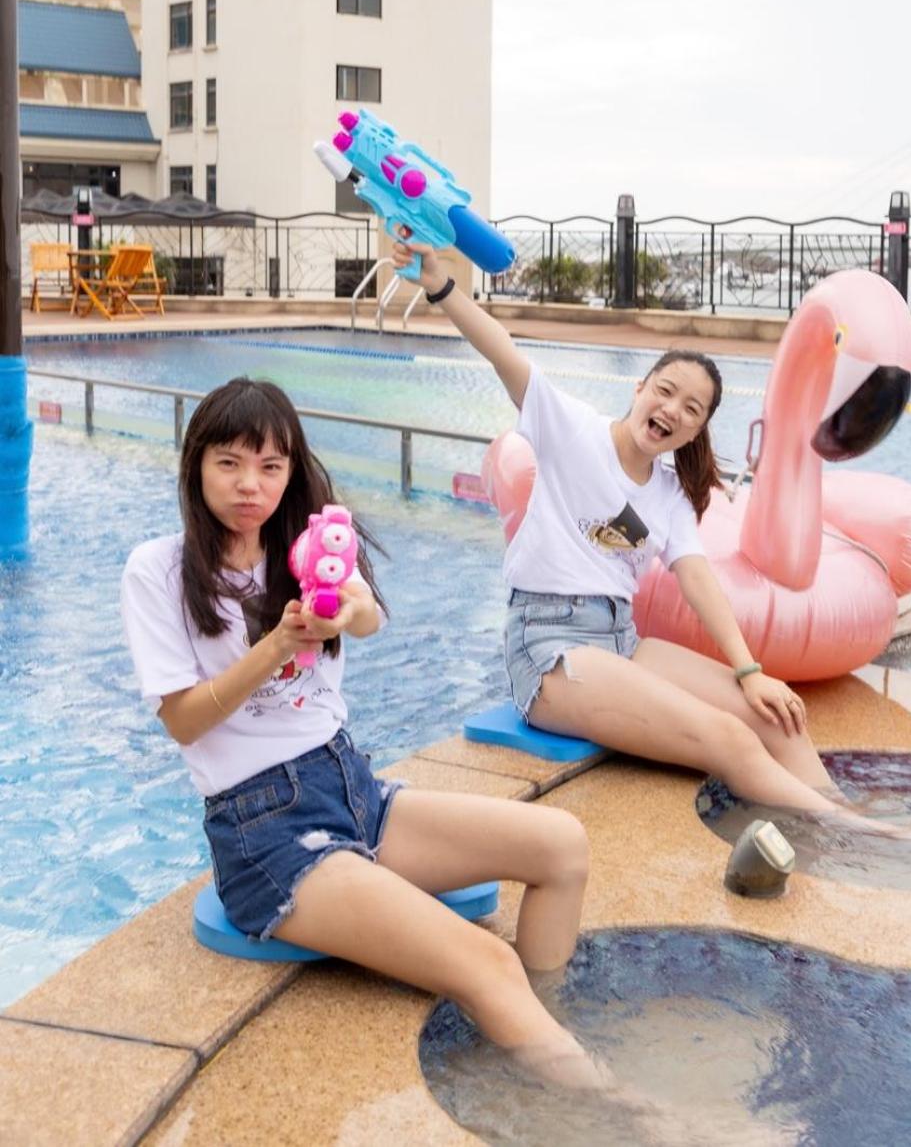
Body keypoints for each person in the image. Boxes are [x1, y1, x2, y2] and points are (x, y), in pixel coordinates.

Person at [120, 377, 602, 1086]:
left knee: (562, 844)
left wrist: (352, 610)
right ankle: (614, 1112)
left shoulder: (306, 550)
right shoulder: (159, 570)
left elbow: (367, 616)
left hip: (352, 790)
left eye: (270, 466)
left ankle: (542, 1035)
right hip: (265, 832)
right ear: (196, 466)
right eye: (229, 463)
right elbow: (183, 721)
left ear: (291, 472)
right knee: (485, 961)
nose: (250, 484)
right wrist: (276, 648)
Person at [389, 240, 911, 833]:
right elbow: (502, 351)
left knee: (776, 718)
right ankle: (863, 837)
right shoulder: (572, 430)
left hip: (621, 639)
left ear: (696, 430)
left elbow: (698, 579)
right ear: (640, 388)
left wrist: (751, 672)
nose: (673, 410)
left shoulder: (669, 493)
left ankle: (840, 807)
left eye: (692, 409)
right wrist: (440, 286)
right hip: (549, 648)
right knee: (728, 738)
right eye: (665, 391)